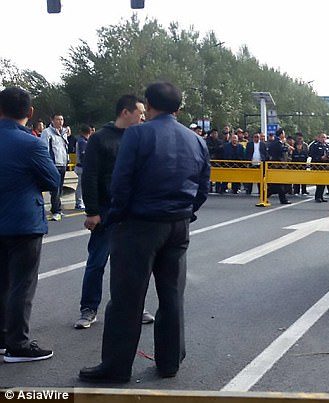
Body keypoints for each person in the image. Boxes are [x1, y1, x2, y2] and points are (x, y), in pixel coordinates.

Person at [79, 82, 210, 383]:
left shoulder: (137, 134)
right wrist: (187, 212)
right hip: (178, 225)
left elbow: (121, 183)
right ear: (178, 108)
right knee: (172, 295)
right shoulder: (195, 140)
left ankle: (116, 367)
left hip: (139, 224)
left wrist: (118, 216)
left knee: (127, 299)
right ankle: (170, 362)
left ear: (148, 105)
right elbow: (203, 187)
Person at [74, 95, 155, 330]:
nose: (143, 117)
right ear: (125, 112)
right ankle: (88, 309)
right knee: (97, 261)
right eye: (140, 112)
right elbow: (90, 177)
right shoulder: (101, 138)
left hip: (133, 210)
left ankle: (134, 307)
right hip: (107, 210)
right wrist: (92, 211)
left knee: (133, 264)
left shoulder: (140, 137)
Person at [0, 87, 60, 363]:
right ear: (30, 112)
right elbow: (52, 181)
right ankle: (17, 344)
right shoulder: (32, 143)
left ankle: (3, 338)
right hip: (24, 223)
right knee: (21, 286)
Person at [40, 113, 70, 221]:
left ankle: (58, 208)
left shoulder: (63, 133)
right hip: (54, 164)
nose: (60, 122)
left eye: (62, 119)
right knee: (55, 188)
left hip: (62, 163)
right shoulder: (47, 133)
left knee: (60, 188)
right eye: (57, 119)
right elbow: (45, 149)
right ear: (52, 120)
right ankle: (55, 211)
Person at [266, 128, 292, 204]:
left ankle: (266, 195)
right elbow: (280, 150)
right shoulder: (276, 142)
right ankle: (282, 199)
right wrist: (287, 148)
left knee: (277, 184)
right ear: (281, 134)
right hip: (277, 165)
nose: (284, 135)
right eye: (283, 133)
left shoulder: (280, 142)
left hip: (281, 165)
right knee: (279, 184)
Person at [309, 133, 329, 203]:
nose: (323, 139)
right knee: (319, 182)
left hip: (325, 166)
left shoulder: (327, 146)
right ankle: (317, 196)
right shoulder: (315, 145)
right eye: (322, 137)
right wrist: (320, 157)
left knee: (323, 182)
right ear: (318, 138)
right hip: (317, 166)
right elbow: (311, 154)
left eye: (325, 137)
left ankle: (321, 196)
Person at [74, 125, 92, 210]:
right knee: (81, 186)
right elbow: (83, 155)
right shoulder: (82, 142)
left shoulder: (83, 141)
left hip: (81, 166)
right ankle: (79, 202)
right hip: (82, 167)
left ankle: (81, 201)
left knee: (83, 185)